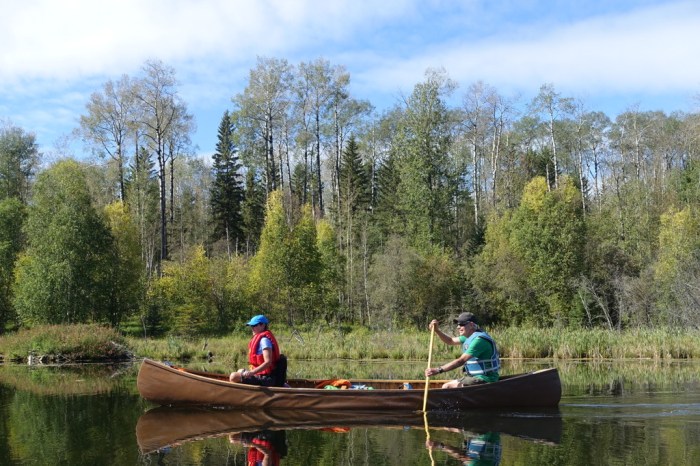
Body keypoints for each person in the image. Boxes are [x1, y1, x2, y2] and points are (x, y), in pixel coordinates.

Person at [424, 312, 500, 388]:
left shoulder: (479, 340)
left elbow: (461, 360)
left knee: (447, 386)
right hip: (474, 377)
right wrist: (437, 331)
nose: (458, 327)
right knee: (447, 386)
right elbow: (450, 341)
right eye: (458, 324)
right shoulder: (468, 336)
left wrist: (438, 370)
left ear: (471, 325)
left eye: (461, 324)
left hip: (486, 379)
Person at [230, 314, 283, 386]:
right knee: (240, 371)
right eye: (251, 326)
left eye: (254, 325)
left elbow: (268, 362)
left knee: (233, 376)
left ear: (262, 325)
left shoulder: (264, 340)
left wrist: (252, 372)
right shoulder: (260, 339)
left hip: (266, 378)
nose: (252, 328)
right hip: (261, 375)